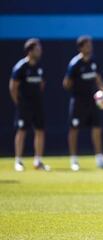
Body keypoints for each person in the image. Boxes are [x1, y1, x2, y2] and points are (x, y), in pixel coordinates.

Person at [63, 36, 103, 171]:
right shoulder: (75, 64)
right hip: (78, 102)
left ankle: (99, 159)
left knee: (97, 128)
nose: (90, 47)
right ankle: (74, 160)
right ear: (80, 47)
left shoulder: (93, 61)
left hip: (93, 102)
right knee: (74, 129)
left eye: (90, 45)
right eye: (87, 45)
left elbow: (98, 80)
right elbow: (66, 83)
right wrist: (78, 91)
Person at [9, 38, 50, 172]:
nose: (40, 51)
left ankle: (38, 161)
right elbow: (13, 87)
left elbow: (42, 84)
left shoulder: (39, 66)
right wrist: (19, 102)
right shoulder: (21, 67)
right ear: (30, 51)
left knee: (40, 131)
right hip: (24, 106)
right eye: (37, 49)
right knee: (22, 131)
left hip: (37, 105)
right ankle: (18, 161)